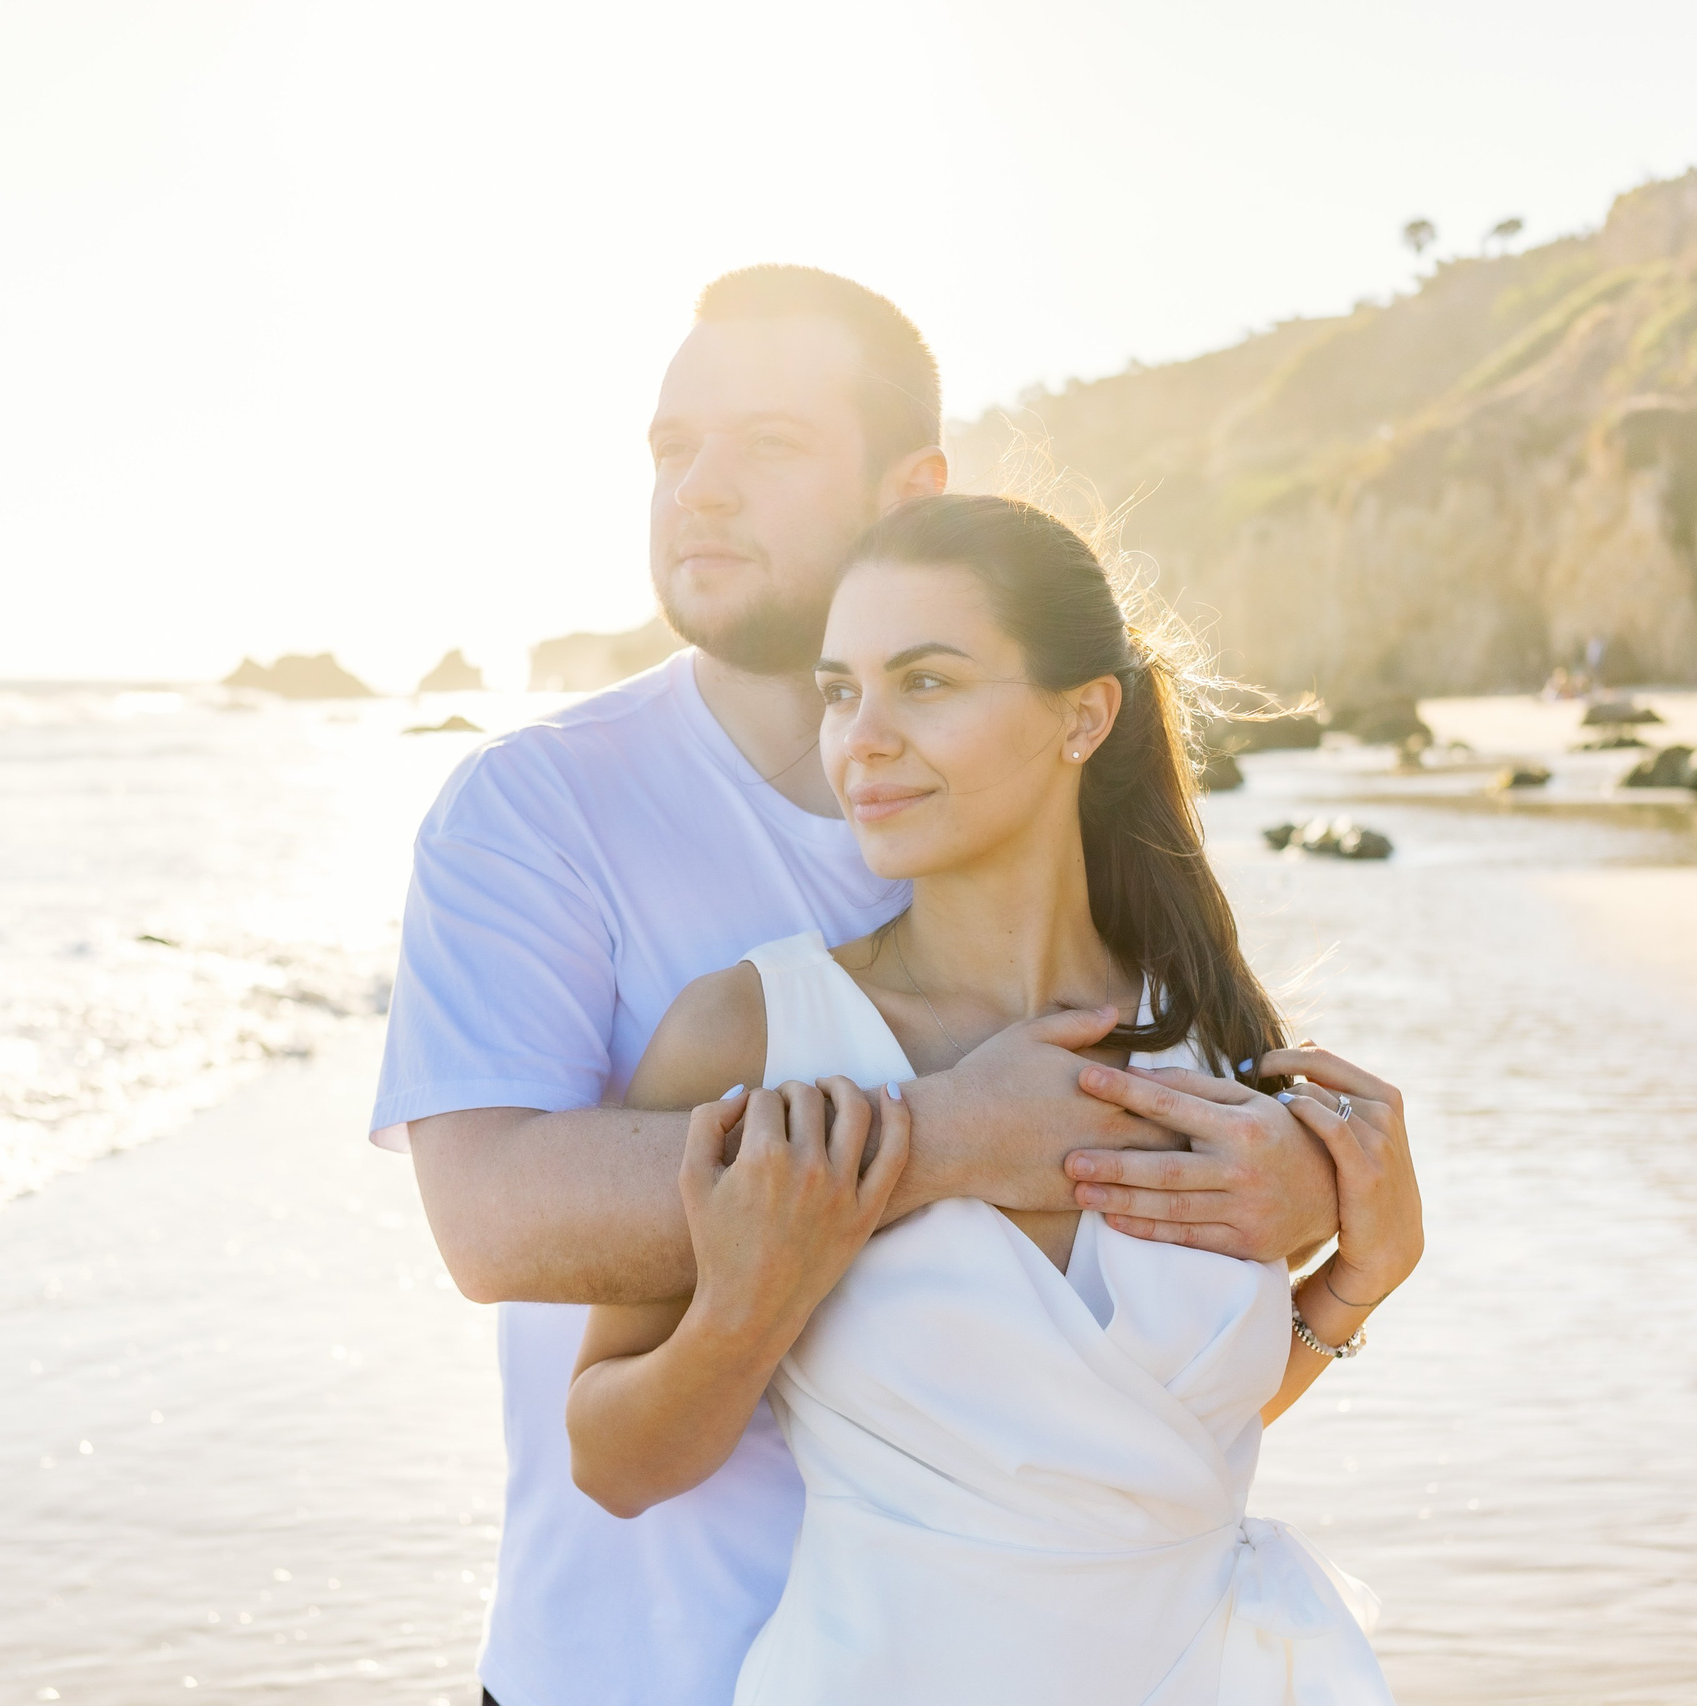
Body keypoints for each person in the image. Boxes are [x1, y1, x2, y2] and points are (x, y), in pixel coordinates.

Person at [371, 267, 1343, 1706]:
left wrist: (1338, 1243)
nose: (698, 489)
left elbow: (1123, 1411)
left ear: (912, 487)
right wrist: (955, 1133)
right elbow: (490, 1221)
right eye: (670, 447)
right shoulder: (536, 807)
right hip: (637, 1667)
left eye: (767, 443)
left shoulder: (1067, 874)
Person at [566, 495, 1418, 1703]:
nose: (859, 737)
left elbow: (1143, 1455)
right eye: (839, 688)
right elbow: (612, 1461)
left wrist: (1354, 1282)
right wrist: (750, 1304)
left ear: (1085, 715)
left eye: (924, 682)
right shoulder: (756, 1034)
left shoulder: (1215, 1036)